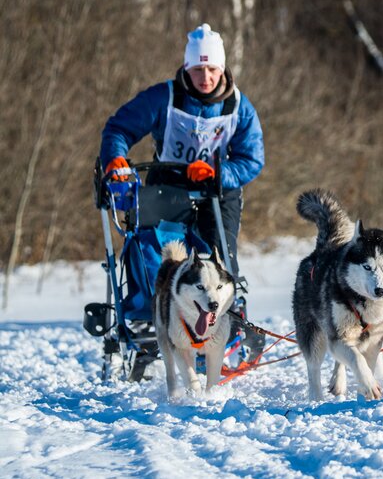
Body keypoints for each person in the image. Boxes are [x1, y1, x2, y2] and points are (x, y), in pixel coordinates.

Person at [100, 23, 265, 355]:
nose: (205, 76)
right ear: (187, 68)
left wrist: (220, 173)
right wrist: (115, 159)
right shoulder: (164, 97)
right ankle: (151, 313)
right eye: (198, 69)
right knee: (153, 250)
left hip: (218, 192)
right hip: (168, 185)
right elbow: (119, 128)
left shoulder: (238, 107)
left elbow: (252, 159)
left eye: (212, 69)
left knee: (219, 256)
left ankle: (226, 316)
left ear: (222, 68)